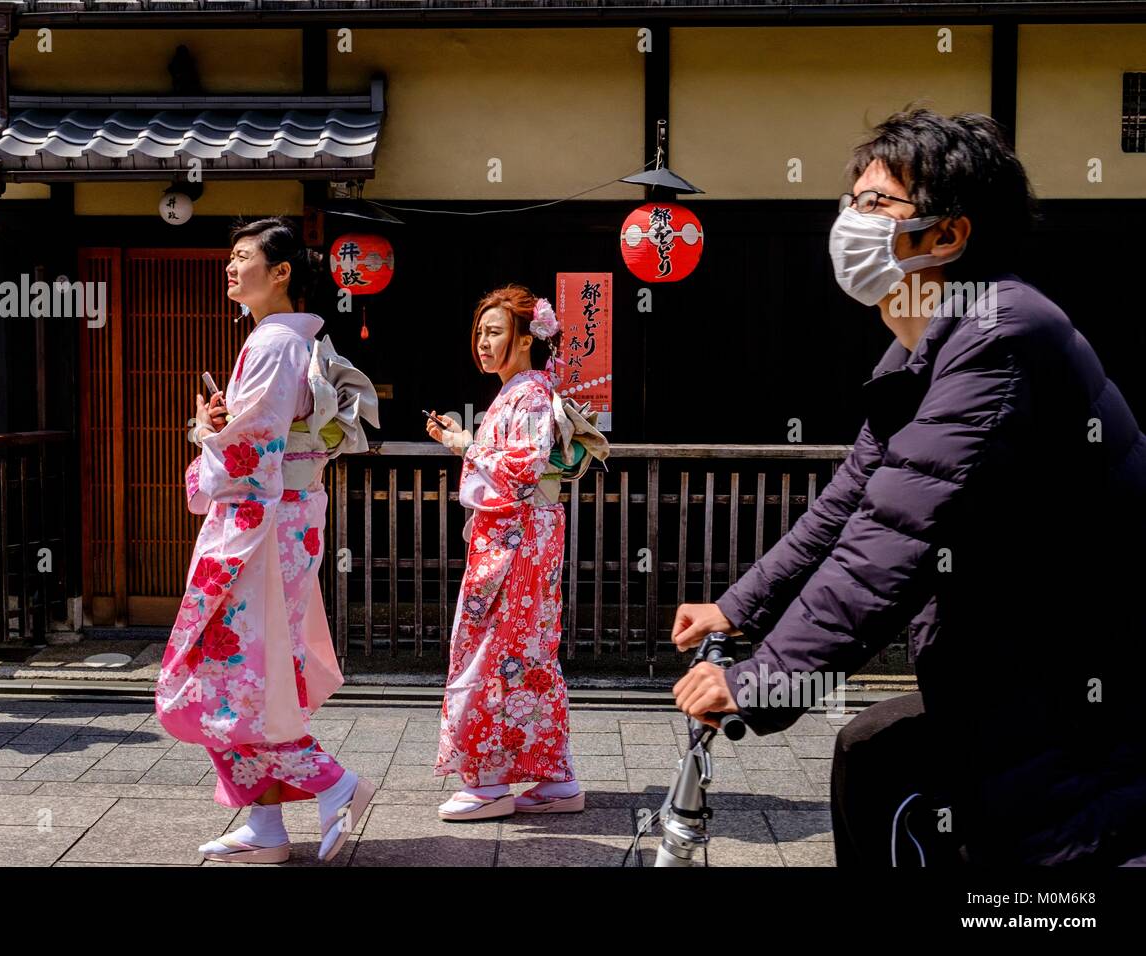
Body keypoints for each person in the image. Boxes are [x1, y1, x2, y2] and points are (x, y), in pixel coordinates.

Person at [671, 108, 1146, 866]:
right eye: (848, 203)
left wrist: (766, 682)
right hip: (1015, 667)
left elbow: (895, 538)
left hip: (1080, 691)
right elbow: (846, 508)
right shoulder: (920, 358)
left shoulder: (1000, 335)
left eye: (875, 204)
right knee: (873, 756)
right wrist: (737, 606)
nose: (848, 222)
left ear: (949, 235)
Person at [155, 216, 378, 864]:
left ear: (281, 272)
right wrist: (220, 433)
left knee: (232, 676)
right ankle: (267, 825)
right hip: (286, 518)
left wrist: (204, 442)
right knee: (255, 673)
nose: (231, 265)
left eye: (244, 256)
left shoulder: (276, 342)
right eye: (229, 255)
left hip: (259, 526)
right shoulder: (287, 341)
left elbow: (253, 451)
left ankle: (334, 782)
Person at [427, 286, 585, 820]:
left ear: (524, 339)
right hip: (525, 536)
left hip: (516, 540)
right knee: (529, 650)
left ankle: (490, 782)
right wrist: (467, 441)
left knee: (495, 650)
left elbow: (519, 472)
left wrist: (465, 446)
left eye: (495, 332)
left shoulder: (530, 394)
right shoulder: (522, 392)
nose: (483, 342)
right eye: (480, 332)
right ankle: (554, 777)